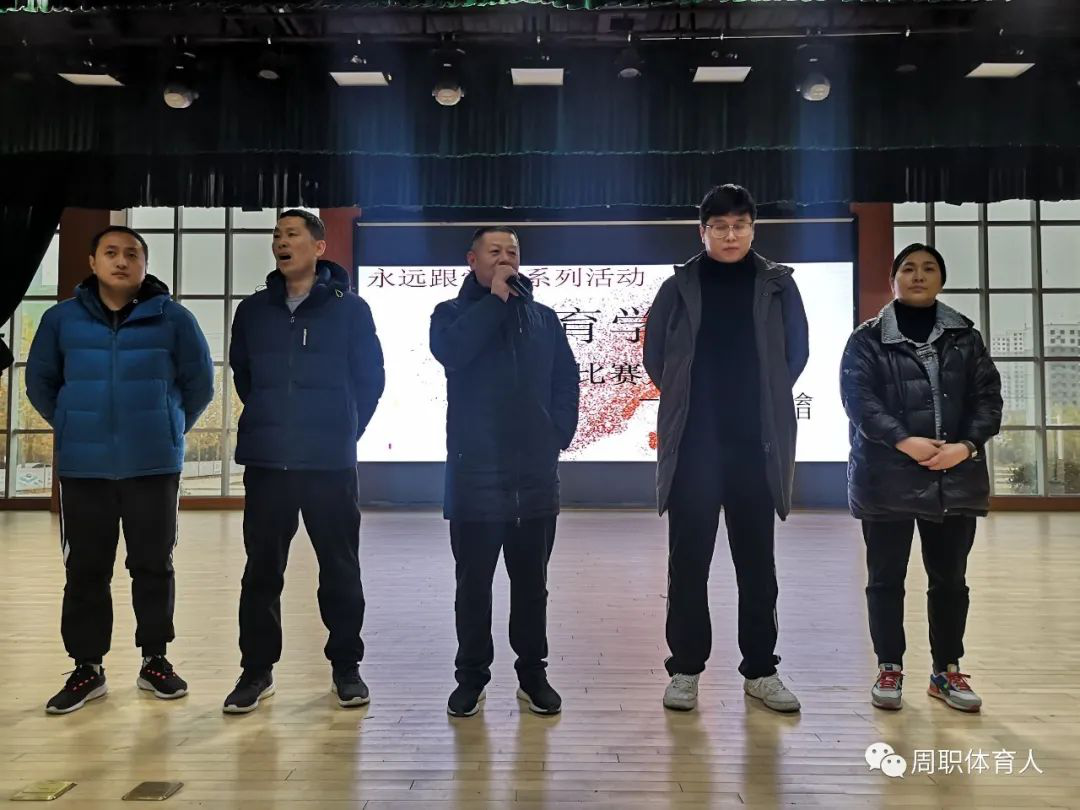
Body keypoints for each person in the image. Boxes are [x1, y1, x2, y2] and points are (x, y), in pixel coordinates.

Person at [26, 225, 214, 714]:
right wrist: (73, 423)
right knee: (85, 569)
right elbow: (40, 383)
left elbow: (200, 384)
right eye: (111, 252)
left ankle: (156, 660)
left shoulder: (174, 319)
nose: (122, 261)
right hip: (84, 468)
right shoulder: (60, 320)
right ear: (93, 262)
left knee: (153, 565)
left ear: (145, 265)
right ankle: (87, 667)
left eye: (132, 253)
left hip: (153, 466)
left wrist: (169, 426)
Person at [643, 184, 808, 714]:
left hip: (756, 447)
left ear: (753, 229)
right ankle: (685, 670)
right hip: (694, 447)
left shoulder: (778, 285)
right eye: (720, 226)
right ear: (703, 232)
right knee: (687, 565)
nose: (730, 235)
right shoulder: (679, 286)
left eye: (739, 225)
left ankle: (761, 670)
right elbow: (655, 358)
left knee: (757, 566)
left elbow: (795, 354)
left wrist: (759, 400)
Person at [224, 209, 385, 714]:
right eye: (277, 235)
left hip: (328, 465)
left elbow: (371, 379)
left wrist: (344, 431)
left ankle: (346, 667)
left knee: (339, 569)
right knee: (261, 571)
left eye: (292, 234)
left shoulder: (349, 310)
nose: (281, 242)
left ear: (318, 247)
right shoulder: (253, 311)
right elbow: (244, 376)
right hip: (268, 462)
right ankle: (256, 671)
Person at [840, 243, 1002, 713]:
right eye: (908, 268)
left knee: (950, 580)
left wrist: (964, 447)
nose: (918, 275)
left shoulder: (966, 337)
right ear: (892, 281)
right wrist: (903, 441)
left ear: (941, 280)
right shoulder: (867, 339)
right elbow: (859, 400)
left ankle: (946, 671)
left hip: (955, 476)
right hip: (886, 476)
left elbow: (988, 399)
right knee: (885, 579)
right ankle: (889, 667)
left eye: (929, 268)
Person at [430, 226, 579, 718]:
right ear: (472, 260)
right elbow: (453, 353)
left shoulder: (544, 318)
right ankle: (471, 678)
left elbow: (566, 378)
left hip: (534, 479)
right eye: (494, 251)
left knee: (532, 587)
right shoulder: (450, 314)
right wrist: (494, 302)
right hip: (473, 478)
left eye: (512, 252)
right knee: (473, 587)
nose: (505, 259)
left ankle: (533, 675)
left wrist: (557, 433)